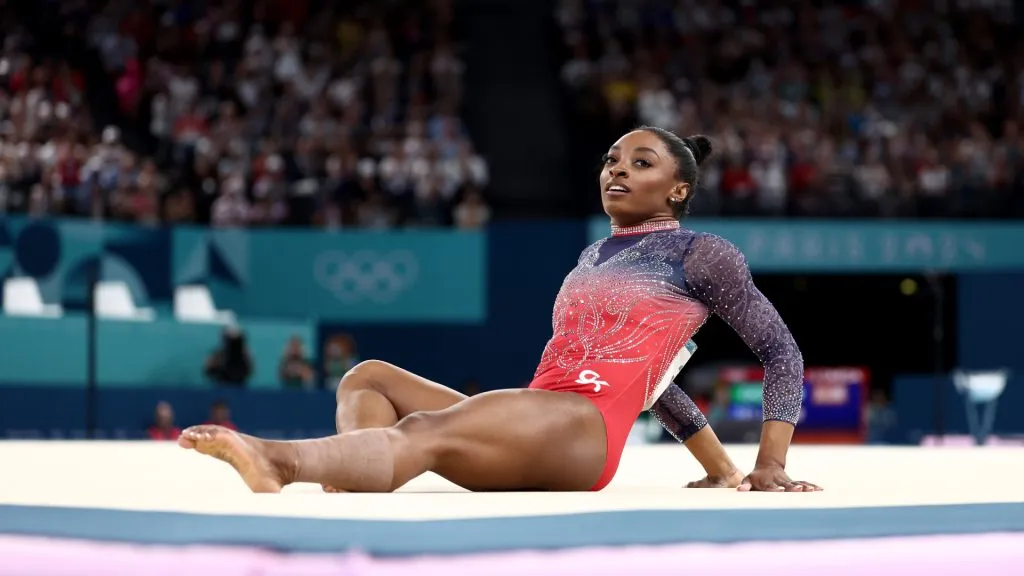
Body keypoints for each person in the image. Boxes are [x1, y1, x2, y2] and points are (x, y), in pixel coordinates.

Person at [179, 127, 820, 494]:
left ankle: (281, 462)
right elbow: (658, 381)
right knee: (367, 376)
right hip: (543, 415)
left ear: (678, 189)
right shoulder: (593, 256)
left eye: (640, 163)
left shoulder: (702, 254)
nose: (615, 172)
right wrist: (720, 469)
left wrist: (768, 465)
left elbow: (781, 352)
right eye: (611, 161)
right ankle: (356, 471)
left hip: (583, 429)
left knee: (427, 434)